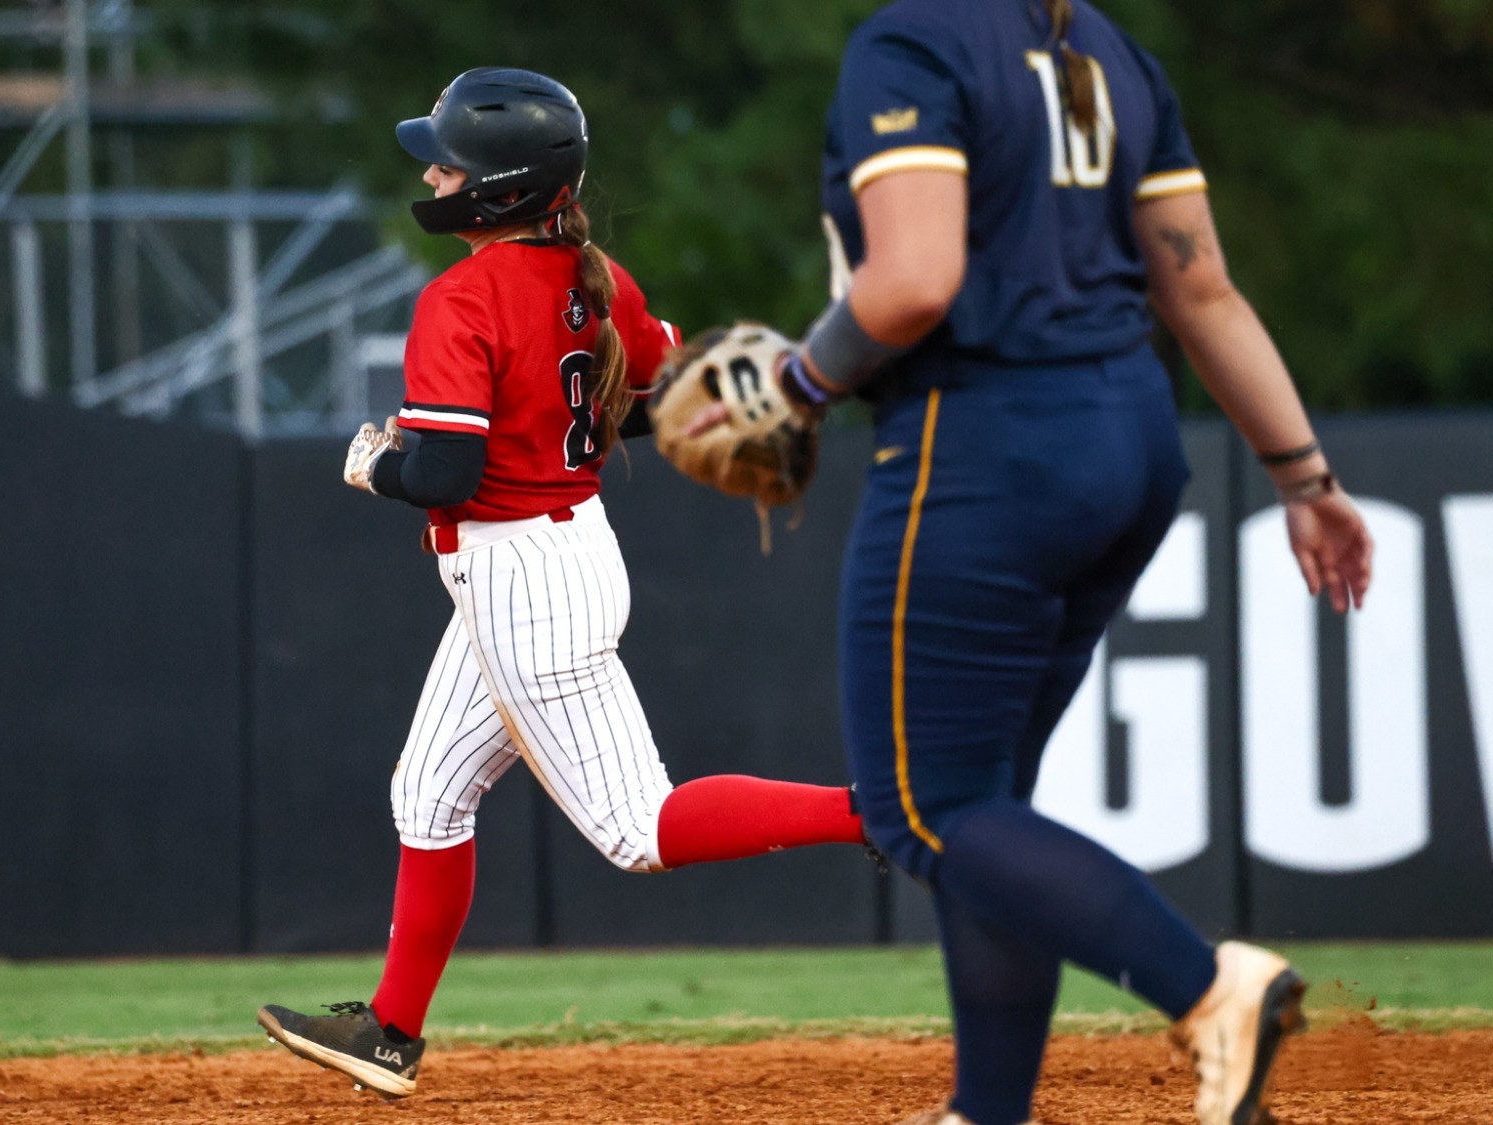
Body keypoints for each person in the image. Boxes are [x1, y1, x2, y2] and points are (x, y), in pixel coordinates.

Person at [754, 2, 1375, 1123]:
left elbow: (914, 281)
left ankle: (1210, 989)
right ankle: (987, 1109)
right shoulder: (1106, 49)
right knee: (983, 806)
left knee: (924, 809)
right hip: (1128, 434)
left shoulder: (914, 41)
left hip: (987, 441)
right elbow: (1201, 289)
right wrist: (1303, 477)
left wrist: (794, 385)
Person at [255, 67, 873, 1101]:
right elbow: (650, 400)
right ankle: (390, 1033)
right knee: (428, 792)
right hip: (555, 554)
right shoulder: (598, 279)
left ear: (496, 187)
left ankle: (876, 814)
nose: (433, 175)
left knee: (638, 827)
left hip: (522, 579)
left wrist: (374, 466)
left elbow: (445, 473)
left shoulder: (461, 298)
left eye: (448, 162)